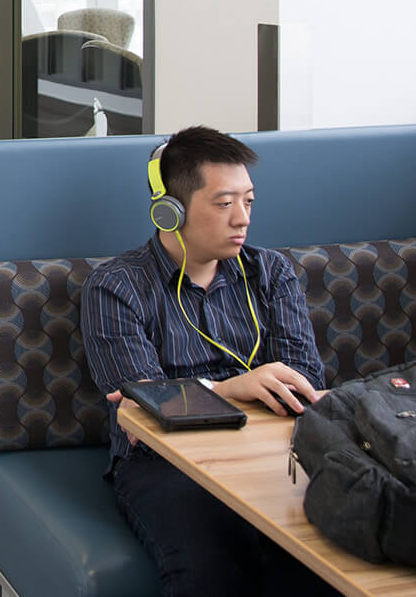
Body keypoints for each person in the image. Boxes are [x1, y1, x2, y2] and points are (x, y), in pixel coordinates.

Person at [82, 126, 333, 597]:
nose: (242, 219)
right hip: (164, 466)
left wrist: (221, 392)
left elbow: (304, 381)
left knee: (314, 558)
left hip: (272, 449)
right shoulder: (115, 286)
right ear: (169, 211)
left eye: (249, 202)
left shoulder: (271, 273)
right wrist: (231, 388)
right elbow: (143, 407)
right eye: (223, 204)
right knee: (211, 567)